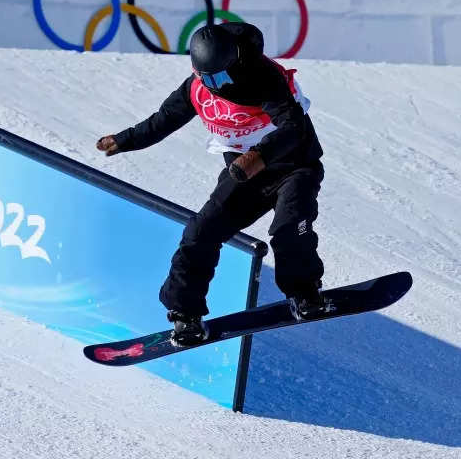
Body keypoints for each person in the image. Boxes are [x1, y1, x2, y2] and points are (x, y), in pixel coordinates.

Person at [96, 22, 327, 346]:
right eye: (208, 78)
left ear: (236, 63)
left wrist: (257, 157)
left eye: (221, 77)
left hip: (294, 168)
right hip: (245, 177)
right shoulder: (198, 87)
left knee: (289, 230)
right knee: (200, 232)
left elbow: (294, 128)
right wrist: (124, 140)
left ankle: (305, 293)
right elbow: (163, 120)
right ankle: (184, 314)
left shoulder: (262, 77)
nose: (216, 86)